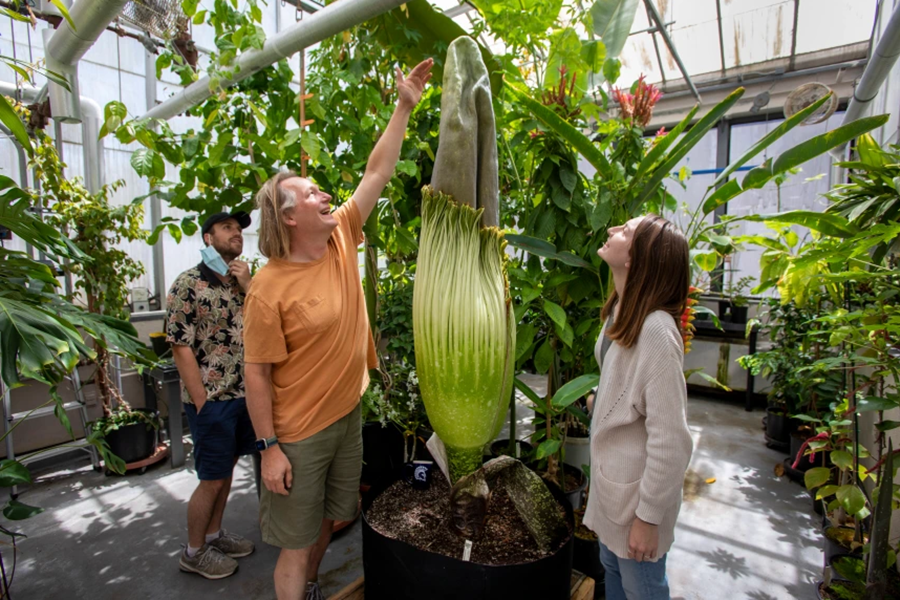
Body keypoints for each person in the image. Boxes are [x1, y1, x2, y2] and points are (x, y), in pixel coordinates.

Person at [243, 58, 433, 600]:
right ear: (288, 218)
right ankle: (296, 585)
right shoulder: (268, 289)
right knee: (295, 543)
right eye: (310, 194)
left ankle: (307, 590)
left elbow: (377, 171)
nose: (325, 195)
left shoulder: (340, 237)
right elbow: (256, 375)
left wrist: (402, 106)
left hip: (348, 414)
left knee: (333, 520)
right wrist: (269, 449)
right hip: (298, 434)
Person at [583, 214, 694, 600]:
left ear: (636, 258)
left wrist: (648, 519)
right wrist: (603, 402)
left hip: (637, 508)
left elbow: (673, 441)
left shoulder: (656, 332)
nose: (612, 231)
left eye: (625, 232)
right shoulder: (621, 311)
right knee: (613, 577)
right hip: (615, 496)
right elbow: (630, 389)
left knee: (641, 590)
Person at [166, 210, 256, 580]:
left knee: (228, 468)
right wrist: (200, 399)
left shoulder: (240, 281)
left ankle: (214, 535)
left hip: (244, 396)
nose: (236, 233)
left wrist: (250, 286)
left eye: (238, 229)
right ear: (208, 238)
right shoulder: (188, 283)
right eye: (227, 228)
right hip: (213, 401)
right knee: (212, 477)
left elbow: (264, 322)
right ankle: (193, 550)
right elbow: (179, 344)